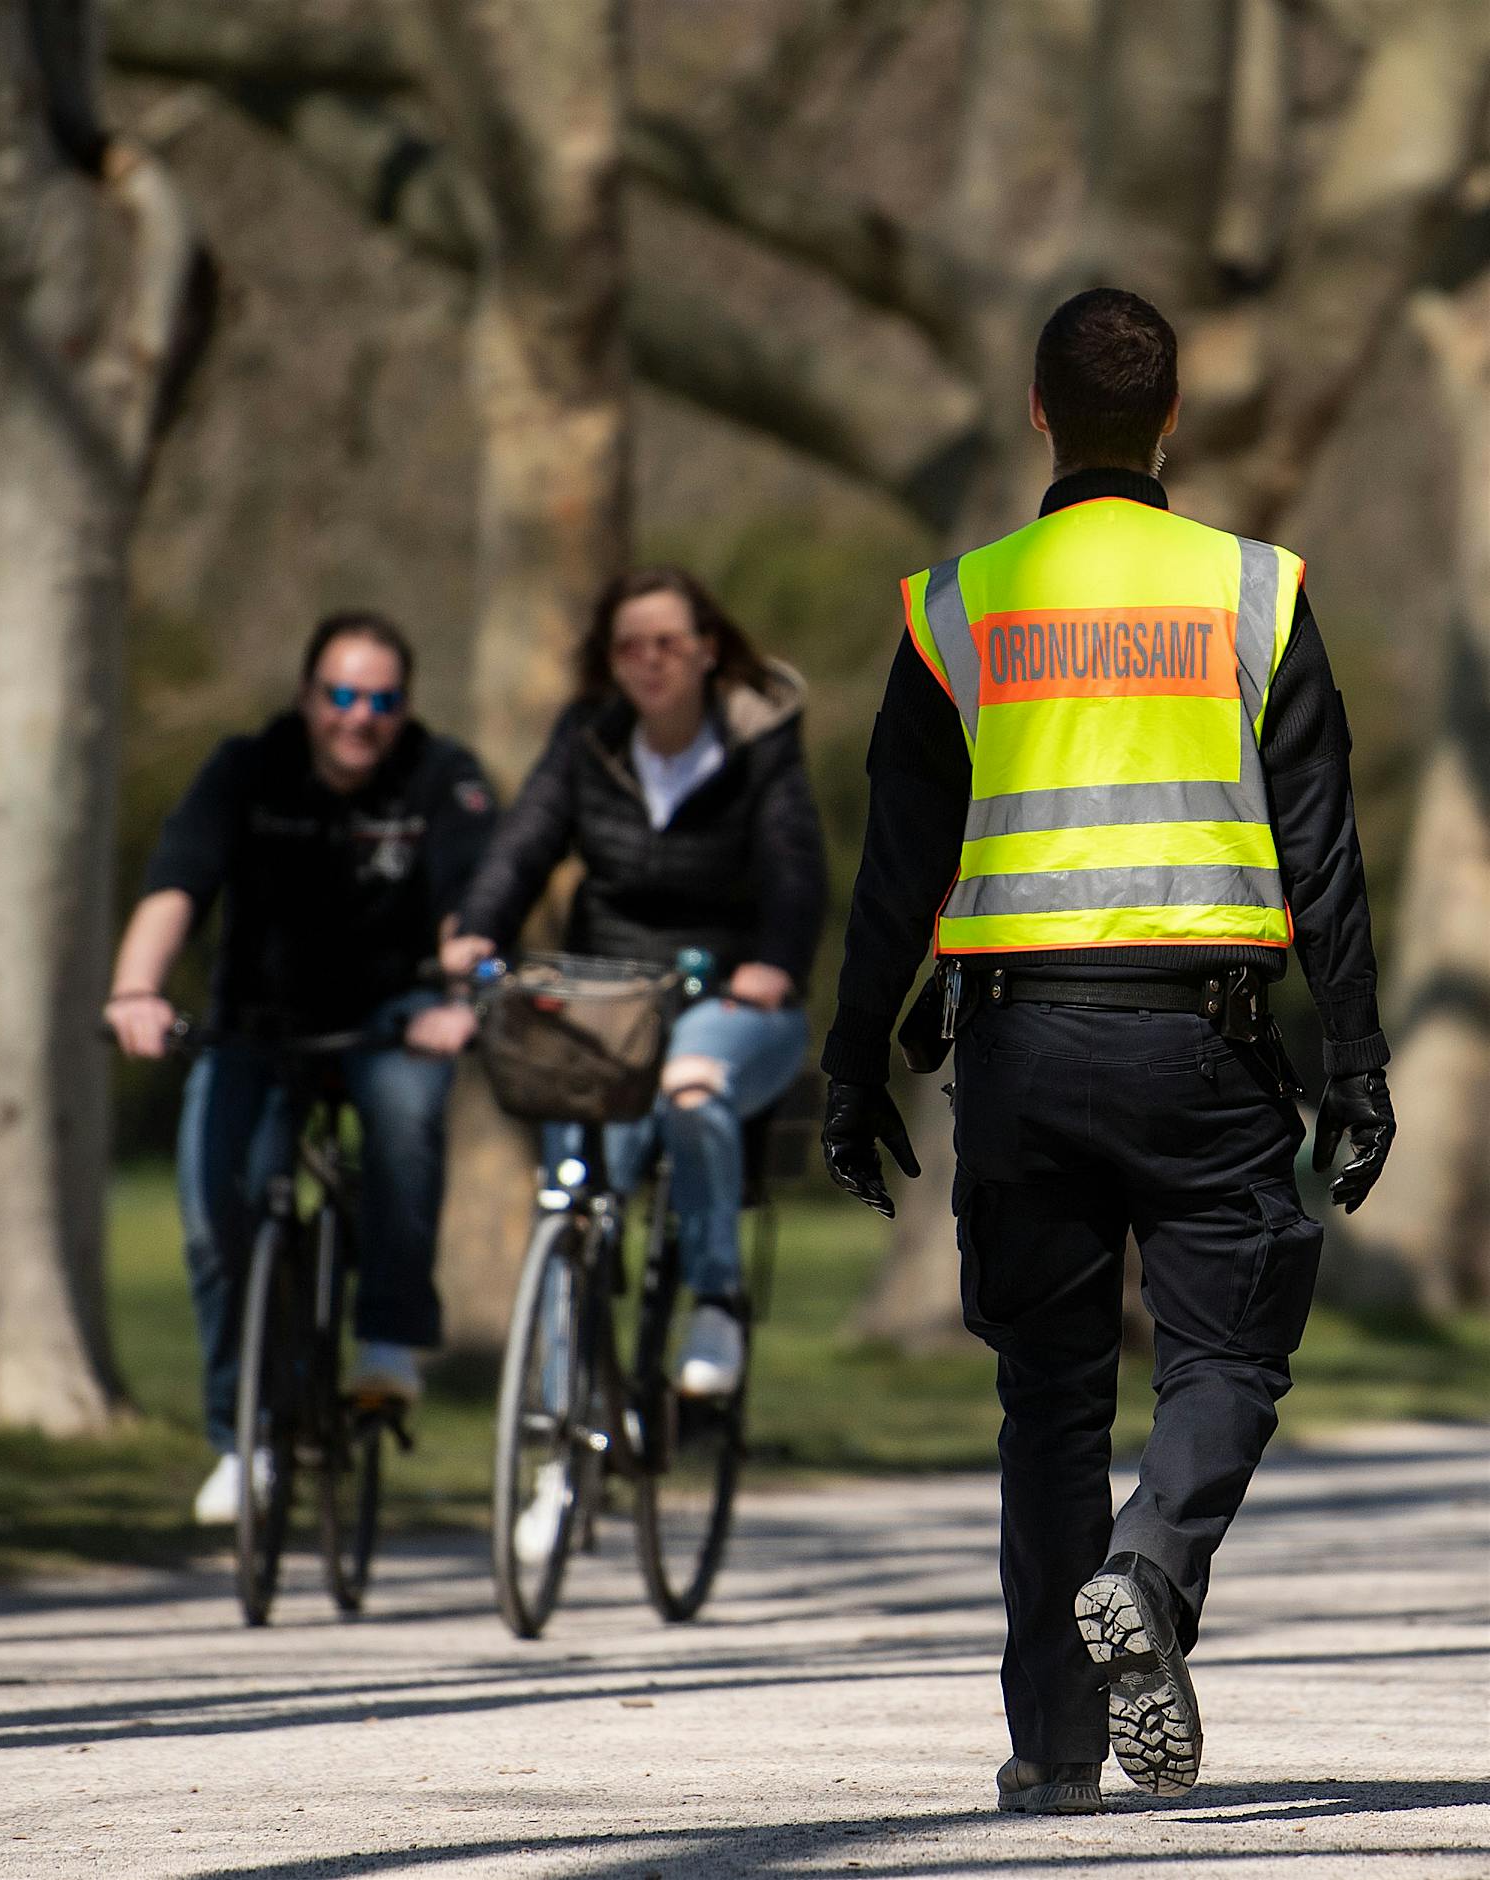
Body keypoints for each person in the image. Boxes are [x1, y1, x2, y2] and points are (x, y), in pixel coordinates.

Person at [819, 289, 1396, 1813]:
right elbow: (1323, 855)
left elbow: (898, 861)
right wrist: (1359, 1063)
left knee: (1050, 1400)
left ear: (1035, 411)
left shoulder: (962, 602)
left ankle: (1056, 1752)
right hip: (1200, 1050)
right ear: (1175, 413)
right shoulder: (1254, 591)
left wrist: (847, 1060)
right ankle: (1151, 1563)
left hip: (1013, 1057)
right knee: (1227, 1352)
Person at [105, 610, 495, 1523]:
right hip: (259, 1020)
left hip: (392, 1013)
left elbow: (469, 904)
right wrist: (134, 992)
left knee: (405, 1119)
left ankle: (390, 1344)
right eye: (343, 696)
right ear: (307, 696)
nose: (360, 716)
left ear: (405, 708)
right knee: (216, 1213)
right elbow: (178, 882)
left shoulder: (441, 778)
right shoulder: (247, 769)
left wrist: (461, 1001)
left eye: (382, 700)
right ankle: (245, 1438)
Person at [446, 567, 826, 1400]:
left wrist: (775, 965)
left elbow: (796, 863)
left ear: (707, 651)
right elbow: (526, 840)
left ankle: (717, 1298)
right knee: (571, 1195)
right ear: (607, 661)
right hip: (609, 995)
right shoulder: (588, 738)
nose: (649, 663)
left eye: (668, 644)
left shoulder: (758, 736)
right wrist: (478, 927)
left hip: (727, 994)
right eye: (628, 648)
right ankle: (554, 1441)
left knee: (691, 1089)